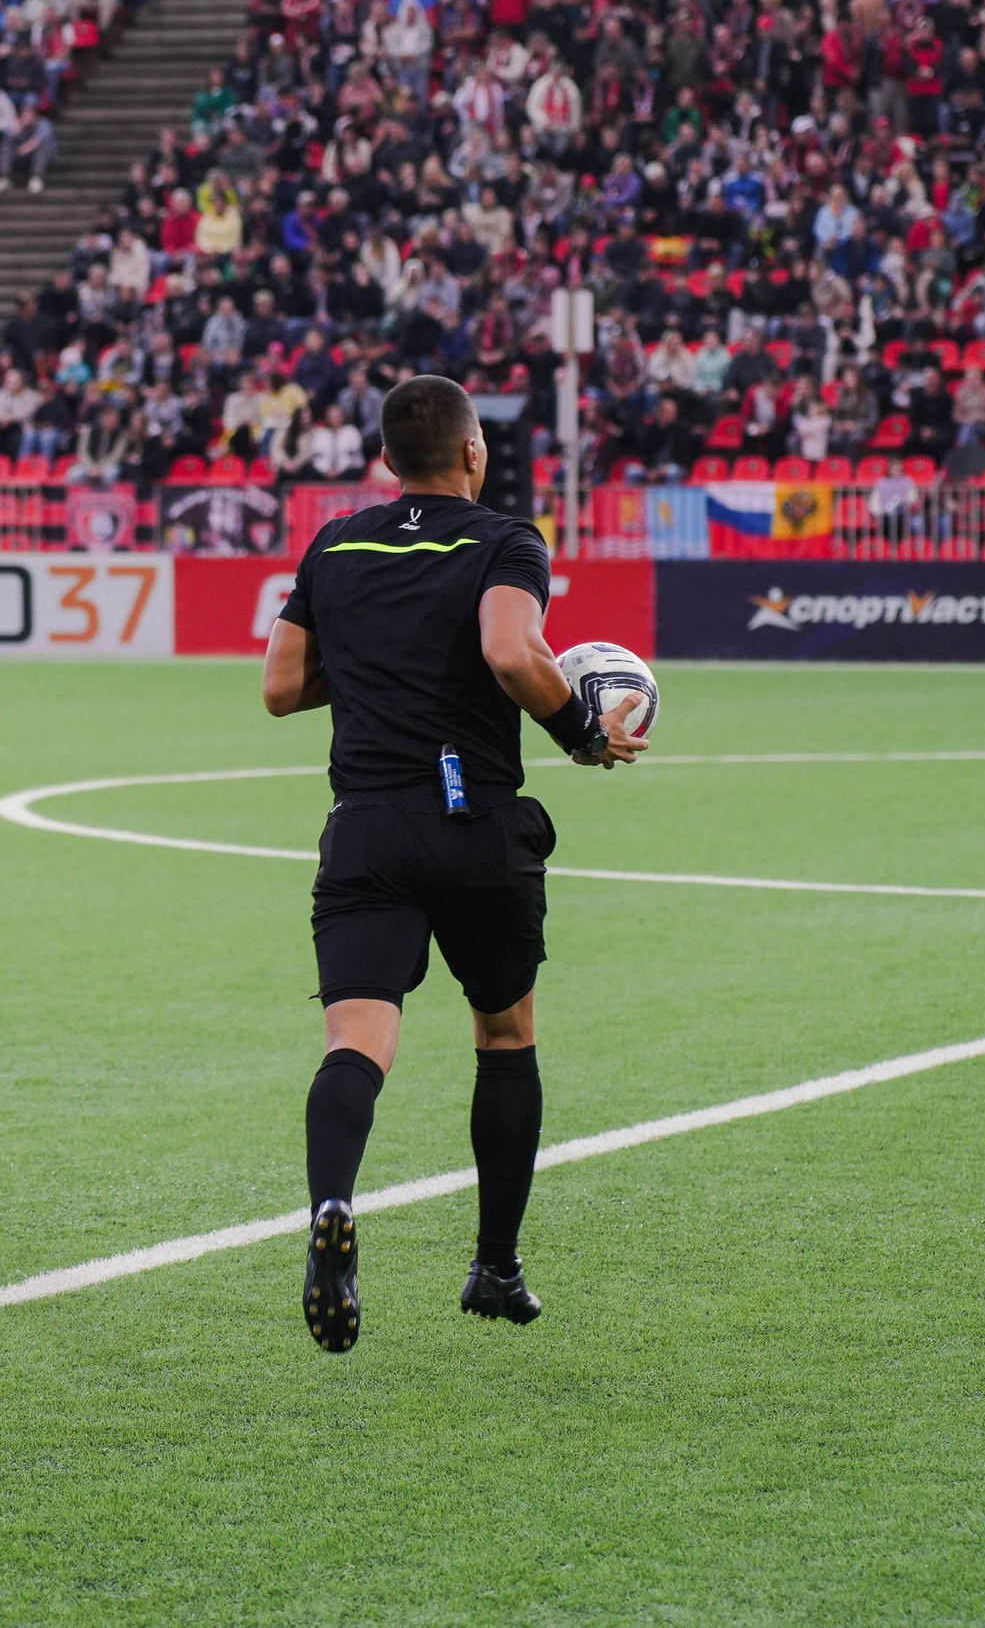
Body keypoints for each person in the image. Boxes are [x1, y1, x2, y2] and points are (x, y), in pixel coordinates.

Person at [259, 375, 646, 1353]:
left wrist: (375, 655)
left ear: (388, 458)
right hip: (472, 827)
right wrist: (581, 732)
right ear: (473, 453)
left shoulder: (333, 543)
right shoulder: (505, 538)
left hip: (366, 830)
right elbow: (513, 652)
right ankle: (495, 1265)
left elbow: (279, 686)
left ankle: (332, 1206)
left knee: (355, 1041)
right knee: (504, 1031)